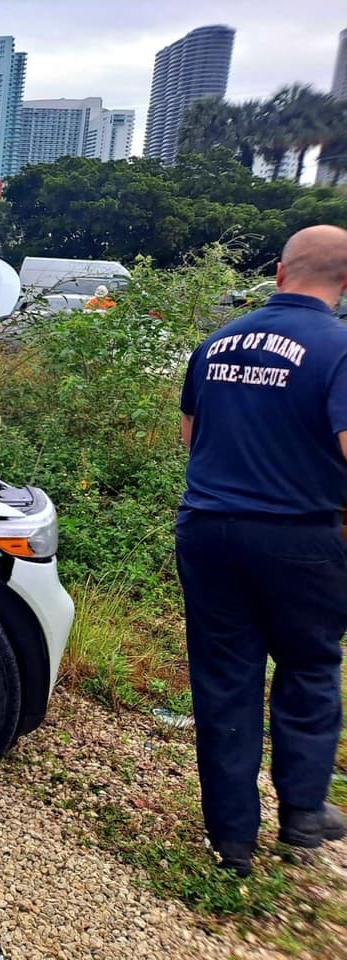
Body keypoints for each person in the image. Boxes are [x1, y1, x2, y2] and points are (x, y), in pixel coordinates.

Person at [176, 224, 347, 878]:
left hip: (209, 528)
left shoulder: (217, 342)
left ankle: (232, 842)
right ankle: (303, 811)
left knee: (226, 679)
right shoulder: (338, 348)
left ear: (279, 271)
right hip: (301, 535)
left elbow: (192, 436)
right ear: (345, 282)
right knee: (307, 664)